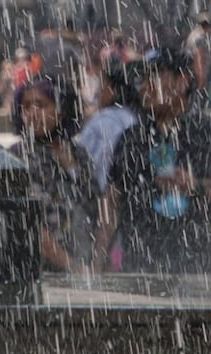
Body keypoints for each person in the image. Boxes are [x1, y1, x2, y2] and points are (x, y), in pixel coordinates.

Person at [95, 48, 211, 275]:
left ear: (182, 81)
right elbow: (112, 202)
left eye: (154, 77)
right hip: (143, 272)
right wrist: (98, 262)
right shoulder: (133, 138)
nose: (144, 86)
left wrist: (200, 187)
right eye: (142, 79)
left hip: (206, 271)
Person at [10, 76, 100, 272]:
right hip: (42, 270)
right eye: (26, 107)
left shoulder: (79, 154)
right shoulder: (17, 157)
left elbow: (97, 206)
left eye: (41, 105)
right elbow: (28, 223)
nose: (33, 113)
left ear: (61, 111)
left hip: (85, 262)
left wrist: (97, 262)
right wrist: (71, 266)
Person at [76, 59, 141, 271]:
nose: (98, 93)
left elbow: (87, 163)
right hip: (130, 206)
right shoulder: (135, 121)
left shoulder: (100, 121)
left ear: (112, 90)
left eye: (102, 87)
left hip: (103, 205)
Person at [183, 10, 211, 102]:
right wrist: (201, 77)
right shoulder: (200, 37)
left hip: (191, 73)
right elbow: (199, 57)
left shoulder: (194, 35)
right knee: (198, 99)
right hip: (196, 74)